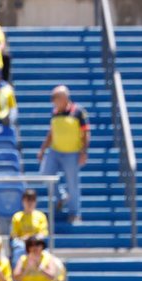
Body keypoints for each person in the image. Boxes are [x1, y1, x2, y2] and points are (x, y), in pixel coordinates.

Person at [38, 85, 89, 224]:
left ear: (64, 97)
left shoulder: (78, 112)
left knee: (73, 183)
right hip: (55, 151)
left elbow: (85, 132)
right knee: (45, 174)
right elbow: (51, 133)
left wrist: (84, 151)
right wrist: (43, 149)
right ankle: (61, 196)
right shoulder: (54, 112)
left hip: (72, 153)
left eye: (55, 97)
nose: (53, 100)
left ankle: (74, 213)